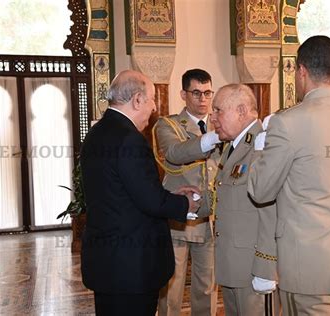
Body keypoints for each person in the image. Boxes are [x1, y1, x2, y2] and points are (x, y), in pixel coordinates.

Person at [247, 35, 330, 315]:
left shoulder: (288, 122)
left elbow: (261, 191)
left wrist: (261, 148)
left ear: (301, 71)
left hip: (309, 261)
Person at [80, 70, 200, 316]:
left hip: (107, 262)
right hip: (131, 267)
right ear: (137, 100)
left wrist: (171, 193)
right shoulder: (129, 139)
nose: (155, 107)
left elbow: (124, 192)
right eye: (152, 99)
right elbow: (151, 202)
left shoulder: (97, 133)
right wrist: (185, 203)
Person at [154, 69, 219, 315]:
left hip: (210, 218)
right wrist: (212, 138)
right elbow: (174, 153)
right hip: (178, 219)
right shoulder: (168, 124)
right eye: (196, 93)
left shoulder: (219, 122)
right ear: (183, 94)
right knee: (171, 285)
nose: (203, 99)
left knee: (206, 287)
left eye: (207, 93)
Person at [210, 83, 277, 316]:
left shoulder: (264, 145)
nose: (212, 117)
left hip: (252, 267)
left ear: (241, 111)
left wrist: (266, 267)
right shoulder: (234, 146)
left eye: (218, 110)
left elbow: (272, 211)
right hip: (232, 263)